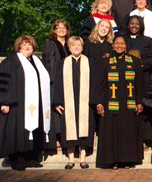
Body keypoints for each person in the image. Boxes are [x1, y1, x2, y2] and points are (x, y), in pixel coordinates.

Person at [0, 35, 55, 171]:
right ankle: (17, 160)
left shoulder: (37, 61)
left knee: (34, 129)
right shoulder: (10, 61)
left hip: (35, 105)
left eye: (30, 44)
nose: (27, 46)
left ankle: (31, 158)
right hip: (16, 105)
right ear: (18, 46)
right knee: (17, 132)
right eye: (24, 44)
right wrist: (4, 102)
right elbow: (2, 82)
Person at [92, 36, 144, 169]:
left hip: (129, 104)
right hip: (111, 103)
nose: (119, 46)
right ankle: (112, 160)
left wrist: (139, 102)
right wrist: (99, 103)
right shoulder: (106, 61)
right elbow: (100, 84)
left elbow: (139, 83)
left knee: (128, 132)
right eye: (117, 43)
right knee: (111, 133)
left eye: (122, 43)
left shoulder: (134, 61)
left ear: (126, 46)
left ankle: (127, 160)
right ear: (113, 45)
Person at [53, 36, 96, 170]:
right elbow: (57, 83)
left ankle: (83, 158)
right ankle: (71, 159)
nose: (76, 48)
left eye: (78, 45)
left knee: (85, 128)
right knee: (69, 128)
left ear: (82, 47)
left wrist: (94, 101)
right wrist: (57, 102)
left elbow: (95, 83)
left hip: (86, 102)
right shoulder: (62, 63)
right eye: (73, 45)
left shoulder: (89, 62)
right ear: (69, 48)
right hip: (68, 101)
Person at [124, 15, 152, 145]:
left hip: (143, 78)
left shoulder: (147, 41)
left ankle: (145, 139)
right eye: (131, 23)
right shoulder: (123, 40)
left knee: (143, 107)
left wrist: (140, 64)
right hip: (126, 78)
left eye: (137, 24)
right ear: (127, 25)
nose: (134, 26)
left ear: (141, 26)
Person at [42, 20, 71, 138]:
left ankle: (66, 136)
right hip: (54, 80)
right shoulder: (50, 44)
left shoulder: (70, 44)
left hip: (68, 81)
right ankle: (56, 138)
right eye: (58, 28)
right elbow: (48, 64)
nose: (61, 29)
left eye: (63, 27)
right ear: (54, 30)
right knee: (56, 108)